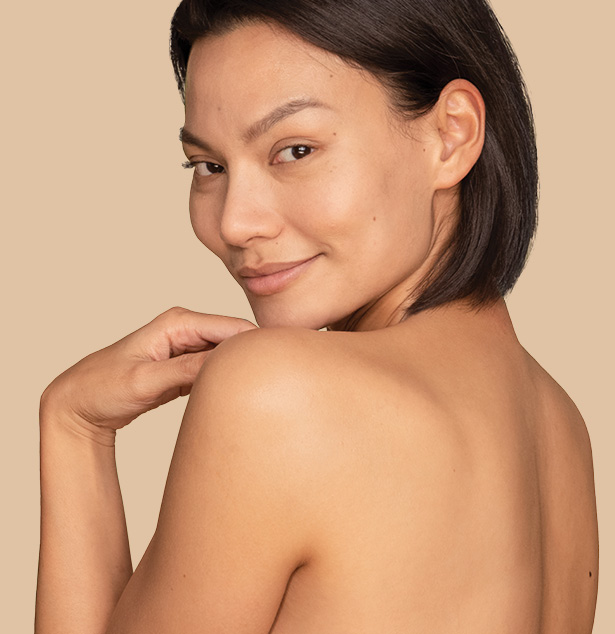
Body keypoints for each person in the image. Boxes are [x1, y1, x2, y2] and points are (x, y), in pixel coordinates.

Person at [35, 0, 599, 632]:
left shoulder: (279, 394)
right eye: (209, 167)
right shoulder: (559, 425)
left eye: (295, 150)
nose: (235, 222)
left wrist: (75, 427)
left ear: (452, 133)